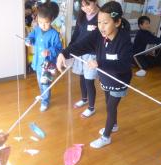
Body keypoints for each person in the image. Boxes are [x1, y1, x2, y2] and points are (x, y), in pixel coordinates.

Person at [57, 1, 132, 149]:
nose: (101, 27)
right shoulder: (99, 35)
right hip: (105, 78)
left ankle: (106, 137)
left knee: (110, 108)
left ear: (117, 22)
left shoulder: (124, 40)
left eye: (105, 23)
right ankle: (114, 125)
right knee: (108, 104)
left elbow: (124, 65)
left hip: (118, 80)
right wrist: (64, 54)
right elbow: (82, 45)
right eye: (99, 22)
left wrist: (101, 63)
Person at [25, 0, 62, 112]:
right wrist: (28, 40)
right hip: (37, 62)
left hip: (48, 63)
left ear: (51, 20)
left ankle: (45, 101)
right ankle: (43, 95)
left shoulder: (55, 34)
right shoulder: (36, 29)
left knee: (45, 82)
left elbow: (58, 48)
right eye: (40, 22)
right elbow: (31, 36)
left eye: (46, 23)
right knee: (39, 81)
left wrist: (49, 51)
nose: (43, 25)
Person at [69, 0, 99, 118]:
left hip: (92, 54)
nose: (85, 8)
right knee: (82, 77)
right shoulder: (81, 15)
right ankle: (84, 99)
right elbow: (76, 33)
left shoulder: (101, 16)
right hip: (80, 52)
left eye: (88, 4)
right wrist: (70, 48)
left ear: (95, 2)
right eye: (82, 6)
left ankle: (91, 108)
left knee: (89, 81)